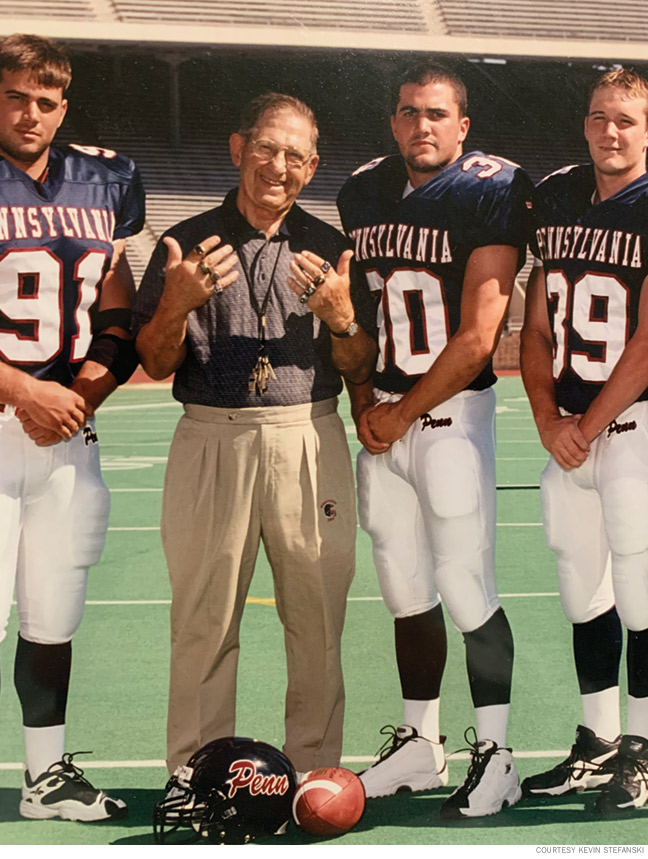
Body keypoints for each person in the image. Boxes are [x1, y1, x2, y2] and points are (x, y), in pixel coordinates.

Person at [133, 92, 377, 781]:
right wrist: (177, 306)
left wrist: (340, 320)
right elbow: (155, 361)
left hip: (308, 434)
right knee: (205, 625)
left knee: (318, 623)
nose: (279, 165)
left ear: (313, 167)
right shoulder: (187, 240)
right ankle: (197, 775)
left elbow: (360, 363)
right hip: (212, 436)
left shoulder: (333, 249)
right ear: (238, 148)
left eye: (295, 155)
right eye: (266, 147)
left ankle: (313, 775)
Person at [336, 61, 533, 818]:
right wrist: (367, 403)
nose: (423, 124)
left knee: (464, 582)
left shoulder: (491, 186)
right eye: (410, 112)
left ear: (463, 124)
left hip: (449, 416)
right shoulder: (364, 189)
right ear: (394, 121)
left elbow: (480, 336)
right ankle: (420, 743)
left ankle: (497, 753)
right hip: (385, 412)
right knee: (402, 585)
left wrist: (399, 412)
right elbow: (355, 316)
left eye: (438, 113)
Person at [0, 34, 144, 820]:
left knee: (53, 612)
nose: (30, 113)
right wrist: (24, 388)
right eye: (15, 96)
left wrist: (86, 391)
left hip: (66, 436)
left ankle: (45, 775)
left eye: (45, 101)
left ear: (64, 108)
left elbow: (115, 306)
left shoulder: (106, 176)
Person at [520, 67, 648, 814]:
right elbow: (536, 323)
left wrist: (586, 425)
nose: (610, 130)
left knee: (641, 599)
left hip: (632, 427)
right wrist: (547, 419)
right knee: (583, 593)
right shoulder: (560, 194)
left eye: (627, 119)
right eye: (599, 116)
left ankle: (643, 748)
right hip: (569, 432)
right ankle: (597, 742)